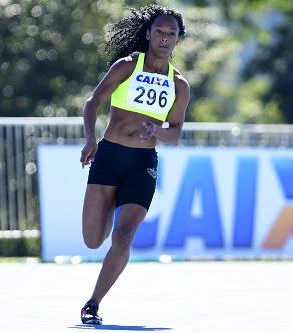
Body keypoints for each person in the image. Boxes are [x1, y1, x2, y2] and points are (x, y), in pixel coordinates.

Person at [78, 4, 190, 325]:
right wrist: (90, 139)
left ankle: (93, 304)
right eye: (159, 32)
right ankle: (108, 203)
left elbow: (177, 132)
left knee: (124, 236)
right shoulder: (127, 66)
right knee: (92, 240)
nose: (165, 38)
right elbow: (93, 103)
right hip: (110, 156)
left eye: (171, 34)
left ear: (177, 40)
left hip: (142, 164)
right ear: (148, 34)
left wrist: (159, 131)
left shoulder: (179, 84)